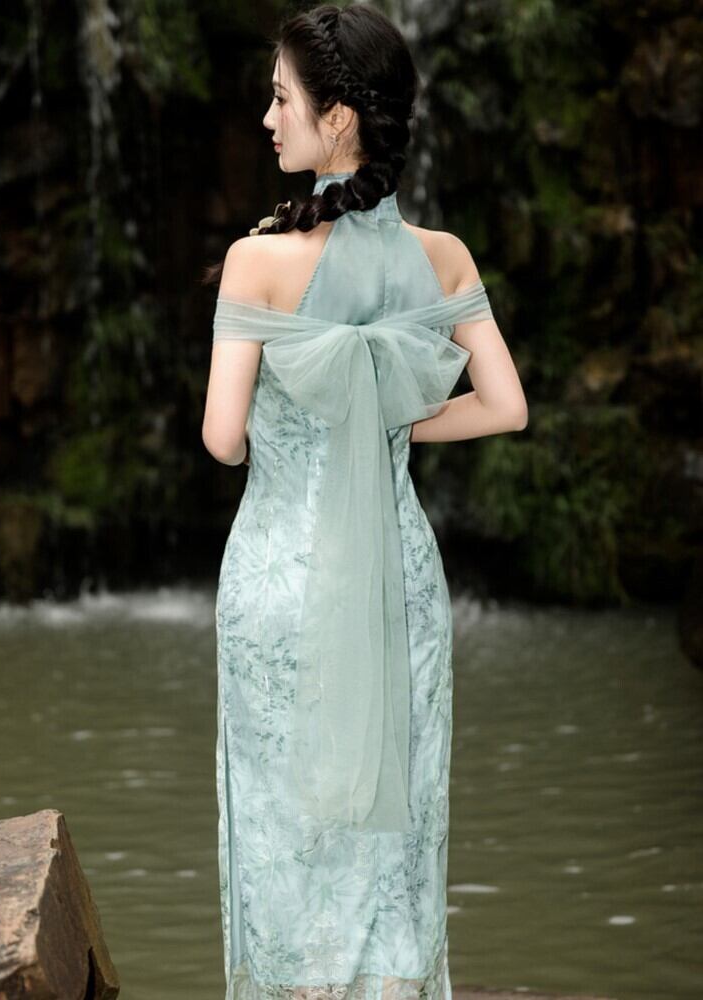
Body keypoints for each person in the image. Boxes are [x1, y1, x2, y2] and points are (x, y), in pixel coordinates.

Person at [201, 3, 528, 997]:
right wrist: (390, 422)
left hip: (282, 580)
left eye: (281, 99)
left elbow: (222, 439)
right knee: (396, 826)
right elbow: (505, 406)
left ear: (337, 117)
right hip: (396, 579)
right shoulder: (445, 256)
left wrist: (312, 422)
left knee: (282, 821)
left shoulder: (258, 259)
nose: (268, 119)